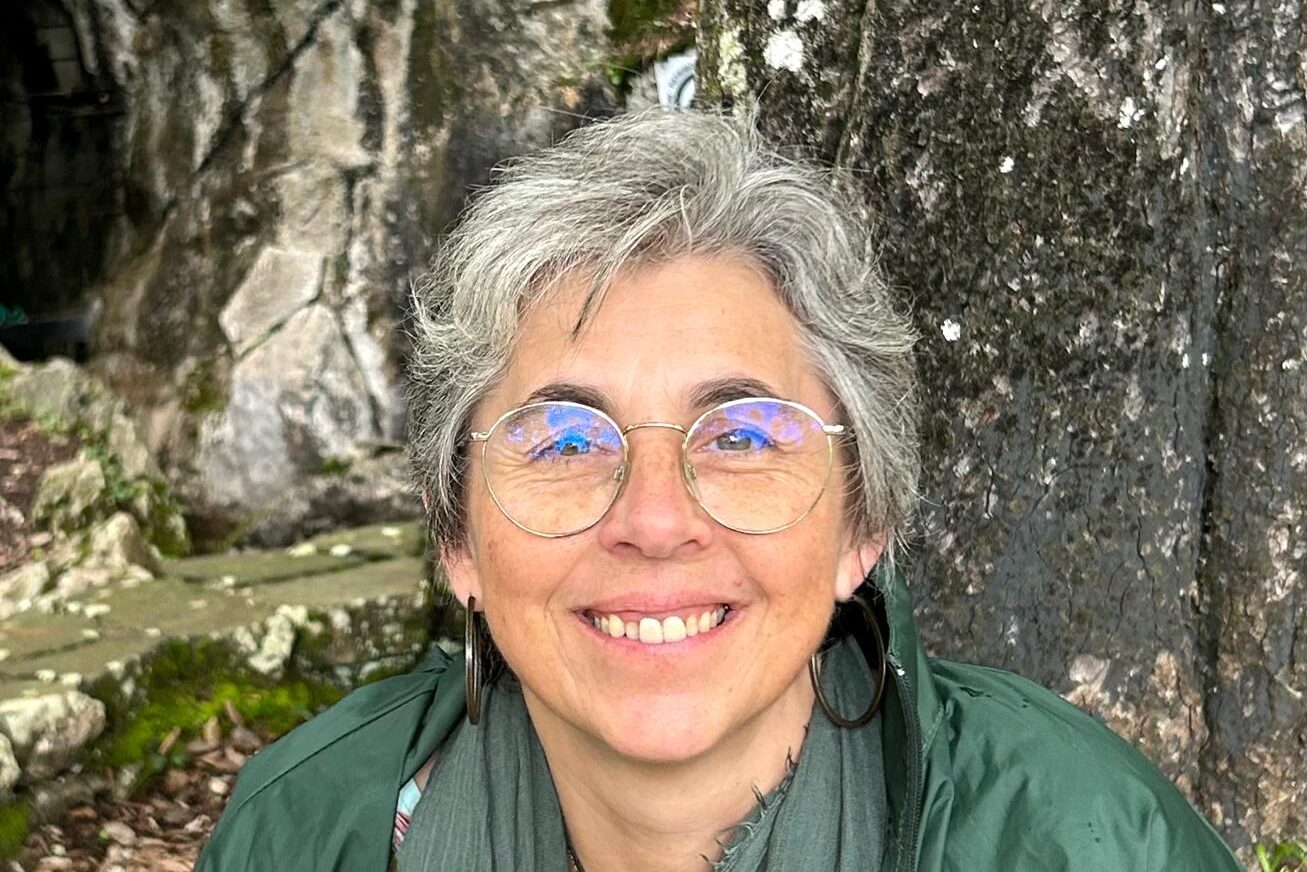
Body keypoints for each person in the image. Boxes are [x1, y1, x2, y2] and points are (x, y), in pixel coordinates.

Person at [194, 109, 1242, 872]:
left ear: (862, 522)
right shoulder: (307, 830)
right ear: (455, 537)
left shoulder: (1072, 837)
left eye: (741, 434)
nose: (654, 520)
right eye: (563, 441)